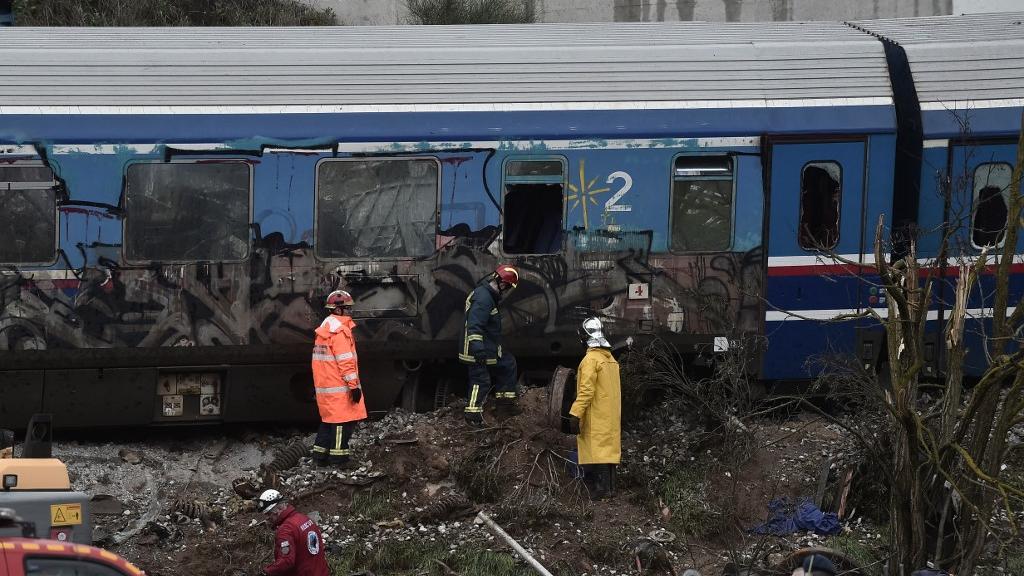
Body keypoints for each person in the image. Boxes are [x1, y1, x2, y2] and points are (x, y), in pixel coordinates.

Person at [566, 317, 621, 500]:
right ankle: (611, 490)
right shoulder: (611, 360)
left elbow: (586, 391)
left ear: (584, 337)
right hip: (611, 415)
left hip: (597, 414)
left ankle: (602, 490)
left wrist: (575, 414)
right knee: (609, 451)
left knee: (598, 450)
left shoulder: (590, 360)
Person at [311, 290, 367, 466]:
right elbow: (346, 362)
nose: (350, 312)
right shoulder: (339, 332)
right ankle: (339, 458)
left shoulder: (325, 329)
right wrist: (353, 386)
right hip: (340, 386)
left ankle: (320, 456)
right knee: (342, 422)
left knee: (328, 421)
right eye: (347, 308)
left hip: (326, 387)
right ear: (338, 310)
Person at [459, 264, 520, 426]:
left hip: (488, 348)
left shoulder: (487, 294)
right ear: (502, 284)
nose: (506, 292)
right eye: (507, 288)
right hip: (476, 350)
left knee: (508, 364)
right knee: (481, 380)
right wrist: (478, 350)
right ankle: (472, 413)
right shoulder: (484, 299)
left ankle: (505, 404)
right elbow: (474, 326)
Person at [257, 489, 330, 576]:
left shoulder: (285, 530)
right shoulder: (305, 519)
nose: (268, 518)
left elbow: (286, 561)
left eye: (269, 514)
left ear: (278, 509)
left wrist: (266, 572)